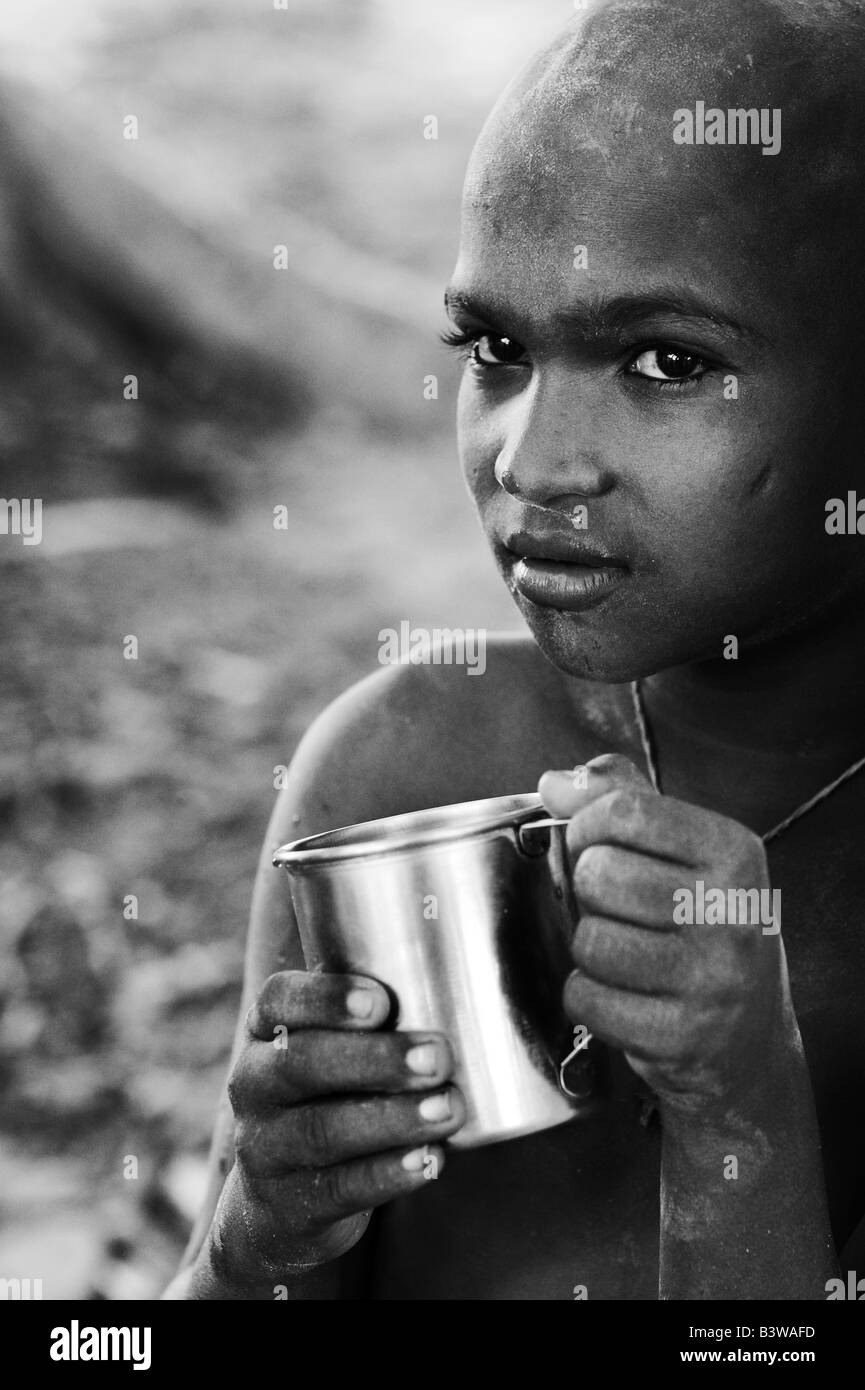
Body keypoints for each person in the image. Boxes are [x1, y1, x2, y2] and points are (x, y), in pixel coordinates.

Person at [165, 0, 865, 1299]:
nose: (529, 465)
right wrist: (254, 1238)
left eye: (663, 359)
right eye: (495, 348)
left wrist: (742, 1108)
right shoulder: (400, 763)